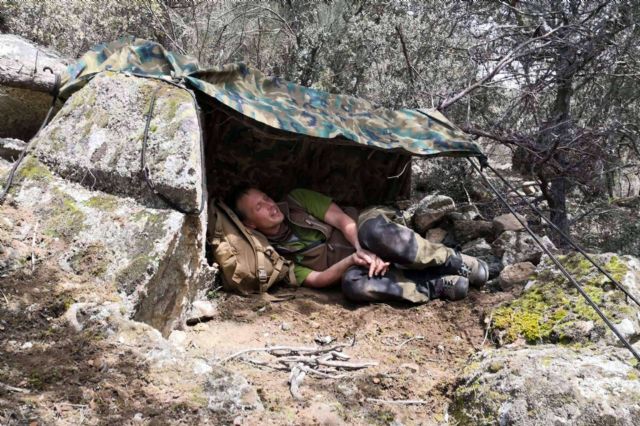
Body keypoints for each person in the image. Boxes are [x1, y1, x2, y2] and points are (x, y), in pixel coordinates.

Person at [228, 186, 488, 303]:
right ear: (250, 224)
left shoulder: (297, 200)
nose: (270, 205)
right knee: (353, 285)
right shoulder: (275, 257)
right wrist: (355, 260)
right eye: (259, 207)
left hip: (361, 230)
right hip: (358, 263)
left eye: (266, 197)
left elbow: (342, 220)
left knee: (375, 232)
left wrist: (361, 248)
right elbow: (317, 279)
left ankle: (452, 260)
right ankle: (433, 285)